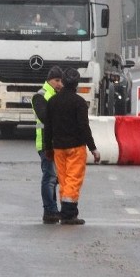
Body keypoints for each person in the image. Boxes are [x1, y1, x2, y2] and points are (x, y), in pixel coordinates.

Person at [43, 68, 101, 224]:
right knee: (73, 180)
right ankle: (68, 214)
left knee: (63, 180)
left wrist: (48, 148)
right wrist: (93, 148)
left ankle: (68, 212)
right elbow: (84, 127)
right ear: (76, 84)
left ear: (63, 81)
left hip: (58, 148)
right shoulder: (79, 103)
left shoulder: (53, 101)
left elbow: (47, 127)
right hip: (76, 147)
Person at [31, 65, 64, 224]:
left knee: (54, 178)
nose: (60, 84)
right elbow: (45, 117)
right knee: (49, 177)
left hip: (56, 143)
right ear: (49, 80)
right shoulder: (41, 96)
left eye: (61, 81)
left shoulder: (57, 95)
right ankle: (50, 210)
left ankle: (51, 210)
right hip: (45, 143)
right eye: (57, 80)